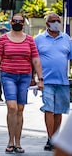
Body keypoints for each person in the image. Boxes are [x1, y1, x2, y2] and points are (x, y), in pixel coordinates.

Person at [0, 13, 44, 154]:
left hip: (24, 77)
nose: (18, 23)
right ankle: (10, 141)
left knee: (20, 109)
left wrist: (40, 78)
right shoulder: (3, 39)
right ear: (11, 22)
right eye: (15, 21)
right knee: (12, 107)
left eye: (20, 21)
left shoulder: (29, 40)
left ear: (24, 24)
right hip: (8, 76)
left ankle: (18, 143)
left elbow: (36, 60)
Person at [34, 13, 72, 151]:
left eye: (58, 20)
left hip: (62, 81)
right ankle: (50, 138)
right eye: (53, 21)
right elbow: (34, 59)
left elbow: (70, 57)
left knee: (59, 111)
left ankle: (56, 138)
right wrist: (34, 78)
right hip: (46, 81)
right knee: (49, 109)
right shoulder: (39, 39)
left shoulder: (67, 38)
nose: (56, 22)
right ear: (47, 24)